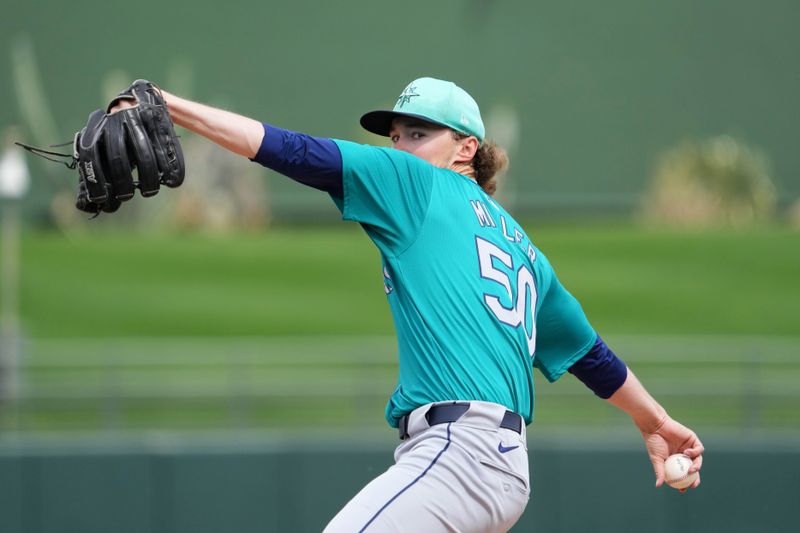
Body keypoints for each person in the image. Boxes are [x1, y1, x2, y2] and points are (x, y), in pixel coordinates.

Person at [118, 77, 704, 532]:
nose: (399, 146)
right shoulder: (524, 249)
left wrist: (168, 105)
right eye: (395, 136)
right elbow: (590, 355)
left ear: (465, 149)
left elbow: (293, 151)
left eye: (418, 133)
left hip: (459, 454)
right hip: (502, 470)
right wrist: (654, 422)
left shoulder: (418, 185)